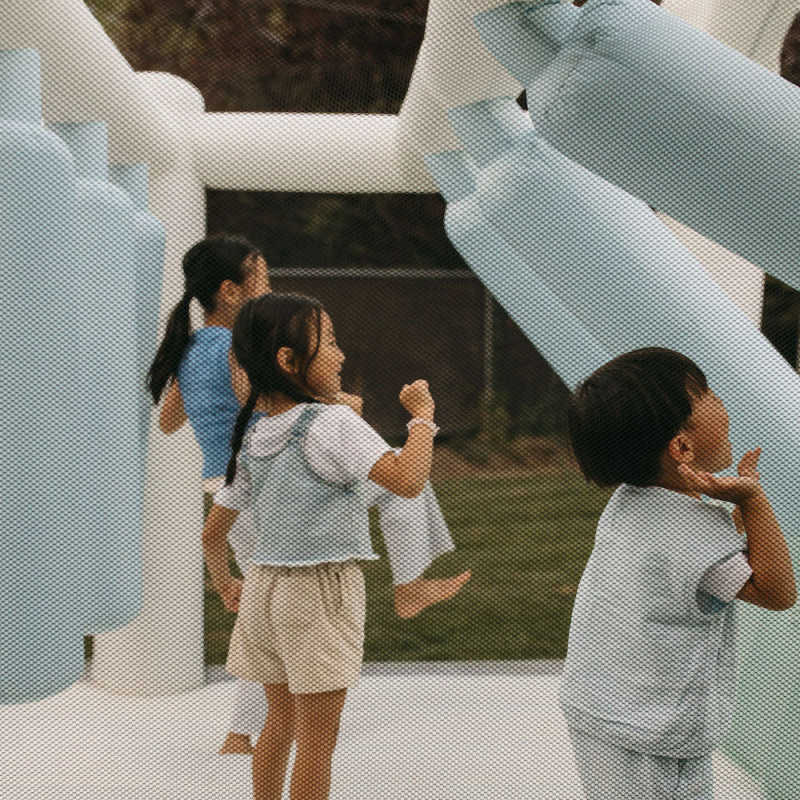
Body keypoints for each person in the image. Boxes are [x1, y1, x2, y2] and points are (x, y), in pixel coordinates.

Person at [147, 234, 469, 754]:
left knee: (262, 608)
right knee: (402, 485)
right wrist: (334, 403)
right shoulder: (236, 347)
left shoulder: (188, 349)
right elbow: (259, 400)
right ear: (231, 292)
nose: (270, 288)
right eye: (263, 278)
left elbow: (167, 422)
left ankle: (241, 734)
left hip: (223, 481)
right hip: (266, 478)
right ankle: (408, 584)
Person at [202, 292, 442, 800]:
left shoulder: (253, 435)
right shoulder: (332, 424)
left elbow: (213, 532)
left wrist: (226, 584)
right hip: (318, 593)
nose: (340, 355)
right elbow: (407, 480)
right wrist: (422, 418)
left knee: (277, 724)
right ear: (288, 361)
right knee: (318, 737)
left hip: (264, 590)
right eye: (329, 342)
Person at [559, 347, 796, 800]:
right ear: (683, 446)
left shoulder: (629, 503)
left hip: (599, 710)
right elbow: (777, 590)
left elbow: (727, 566)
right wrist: (753, 502)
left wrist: (737, 513)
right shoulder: (694, 534)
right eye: (709, 395)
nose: (723, 403)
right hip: (655, 732)